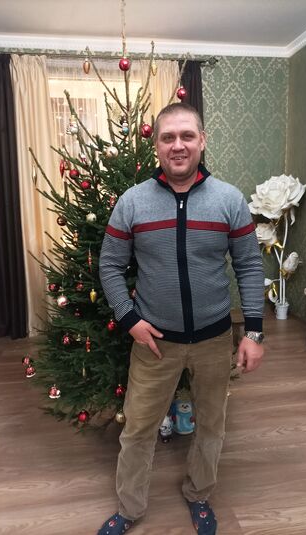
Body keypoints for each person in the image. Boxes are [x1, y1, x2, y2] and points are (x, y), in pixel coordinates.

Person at [98, 102, 264, 535]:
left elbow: (249, 265)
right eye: (168, 137)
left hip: (214, 340)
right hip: (154, 342)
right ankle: (130, 509)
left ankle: (199, 494)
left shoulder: (228, 200)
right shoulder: (133, 202)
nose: (178, 145)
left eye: (187, 136)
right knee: (138, 430)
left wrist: (254, 332)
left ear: (202, 141)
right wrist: (129, 319)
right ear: (156, 145)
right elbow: (110, 265)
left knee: (211, 426)